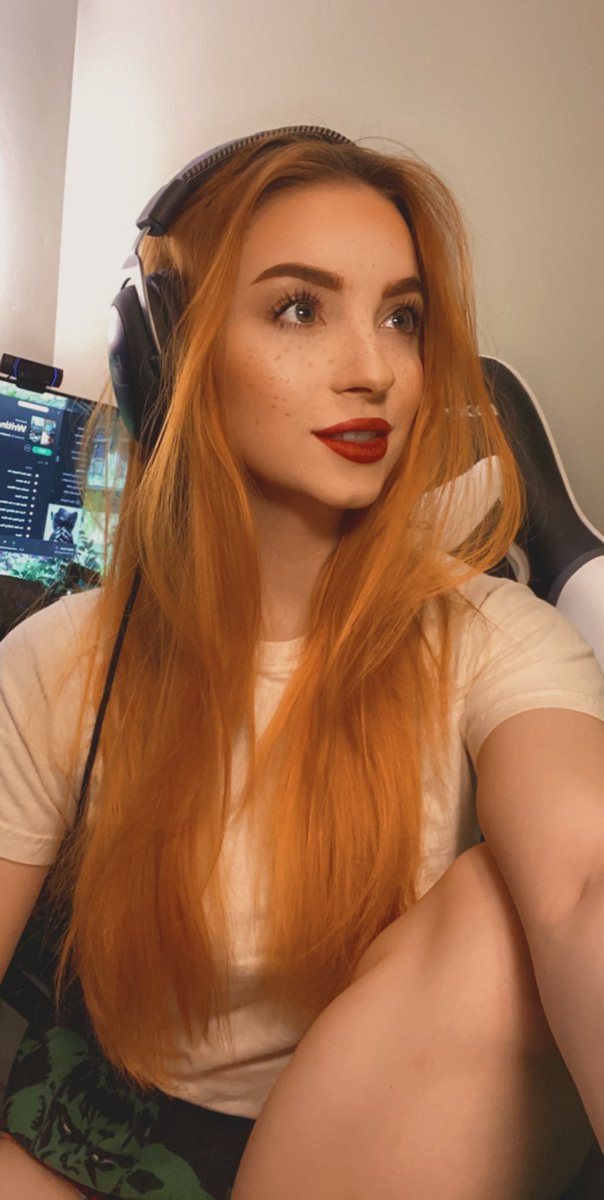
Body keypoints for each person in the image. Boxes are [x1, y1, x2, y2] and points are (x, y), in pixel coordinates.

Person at [1, 127, 603, 1200]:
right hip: (112, 1145)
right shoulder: (62, 660)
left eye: (402, 318)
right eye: (297, 309)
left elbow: (582, 887)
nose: (375, 370)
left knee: (497, 914)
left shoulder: (495, 638)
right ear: (169, 356)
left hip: (391, 1147)